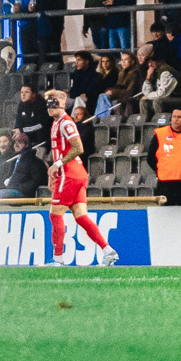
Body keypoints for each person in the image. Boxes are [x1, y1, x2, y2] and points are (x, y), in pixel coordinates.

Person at [48, 99, 112, 263]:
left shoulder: (66, 123)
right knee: (81, 216)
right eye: (48, 105)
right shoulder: (56, 123)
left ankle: (58, 259)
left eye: (54, 105)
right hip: (76, 173)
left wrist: (58, 164)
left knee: (55, 215)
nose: (50, 108)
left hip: (69, 173)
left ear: (63, 107)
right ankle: (108, 250)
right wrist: (53, 173)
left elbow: (78, 148)